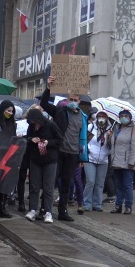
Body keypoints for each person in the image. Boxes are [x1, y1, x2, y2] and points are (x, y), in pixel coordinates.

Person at [40, 76, 88, 222]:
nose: (73, 102)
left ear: (80, 101)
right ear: (67, 100)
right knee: (51, 182)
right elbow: (43, 103)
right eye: (71, 100)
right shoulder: (60, 111)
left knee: (66, 184)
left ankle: (62, 211)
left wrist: (82, 157)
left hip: (73, 154)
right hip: (58, 152)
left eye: (76, 100)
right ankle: (44, 209)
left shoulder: (83, 117)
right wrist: (48, 88)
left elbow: (83, 137)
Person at [24, 109, 63, 223]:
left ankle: (48, 212)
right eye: (32, 122)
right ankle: (32, 210)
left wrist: (48, 142)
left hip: (50, 160)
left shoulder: (51, 125)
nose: (34, 124)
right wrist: (31, 139)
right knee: (34, 187)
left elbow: (60, 140)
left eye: (35, 122)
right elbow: (27, 137)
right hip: (35, 160)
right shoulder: (32, 127)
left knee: (48, 188)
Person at [0, 100, 17, 219]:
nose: (10, 113)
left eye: (12, 111)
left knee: (4, 182)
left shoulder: (13, 124)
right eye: (8, 111)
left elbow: (13, 138)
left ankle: (2, 208)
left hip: (8, 156)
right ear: (2, 110)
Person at [83, 111, 111, 212]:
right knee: (90, 181)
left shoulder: (110, 129)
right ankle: (86, 203)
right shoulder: (90, 127)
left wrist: (110, 137)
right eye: (100, 116)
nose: (101, 118)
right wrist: (87, 151)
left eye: (104, 117)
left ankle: (97, 204)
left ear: (107, 118)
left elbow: (111, 147)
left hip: (103, 160)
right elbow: (85, 140)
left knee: (100, 183)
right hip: (90, 158)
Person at [110, 110, 134, 215]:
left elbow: (134, 147)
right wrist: (108, 136)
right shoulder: (116, 128)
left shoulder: (133, 129)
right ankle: (118, 205)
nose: (123, 118)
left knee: (127, 185)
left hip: (127, 162)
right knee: (118, 185)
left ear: (130, 117)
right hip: (116, 161)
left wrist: (132, 161)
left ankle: (128, 206)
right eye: (121, 116)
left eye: (126, 116)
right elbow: (112, 145)